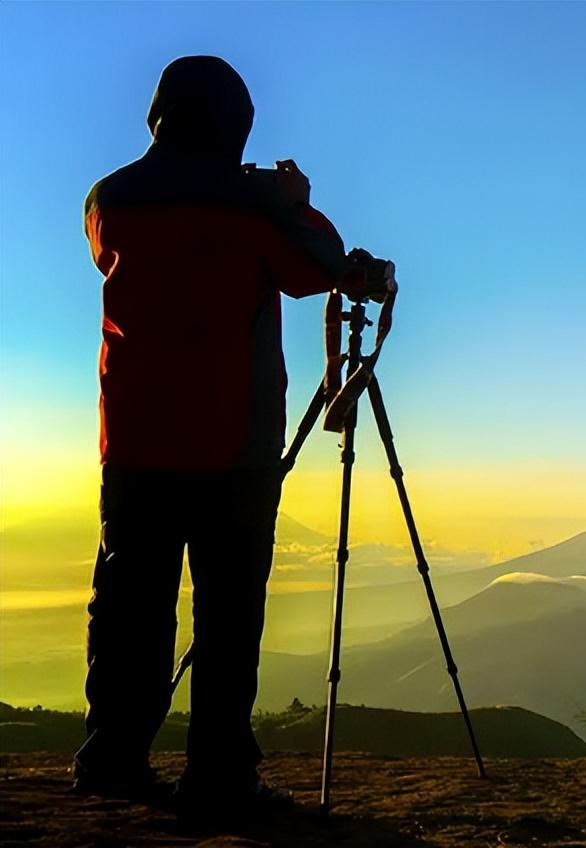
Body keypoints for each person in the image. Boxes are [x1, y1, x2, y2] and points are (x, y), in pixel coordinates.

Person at [74, 55, 382, 810]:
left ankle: (111, 760)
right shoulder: (251, 205)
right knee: (229, 610)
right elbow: (320, 270)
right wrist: (294, 200)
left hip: (136, 438)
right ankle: (217, 776)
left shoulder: (108, 199)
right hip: (232, 445)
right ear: (236, 121)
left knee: (128, 606)